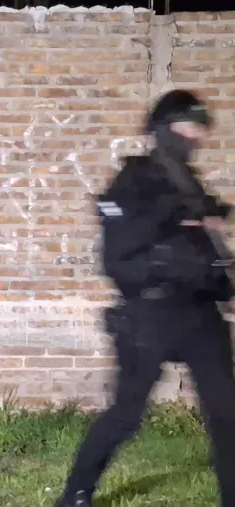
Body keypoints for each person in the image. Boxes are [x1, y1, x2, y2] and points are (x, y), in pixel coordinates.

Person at [54, 89, 235, 507]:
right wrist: (174, 218)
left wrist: (225, 287)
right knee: (126, 415)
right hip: (149, 315)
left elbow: (205, 250)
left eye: (198, 128)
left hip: (200, 314)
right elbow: (117, 259)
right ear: (164, 128)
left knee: (226, 414)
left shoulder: (188, 182)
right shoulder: (133, 181)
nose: (195, 136)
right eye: (186, 127)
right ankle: (76, 494)